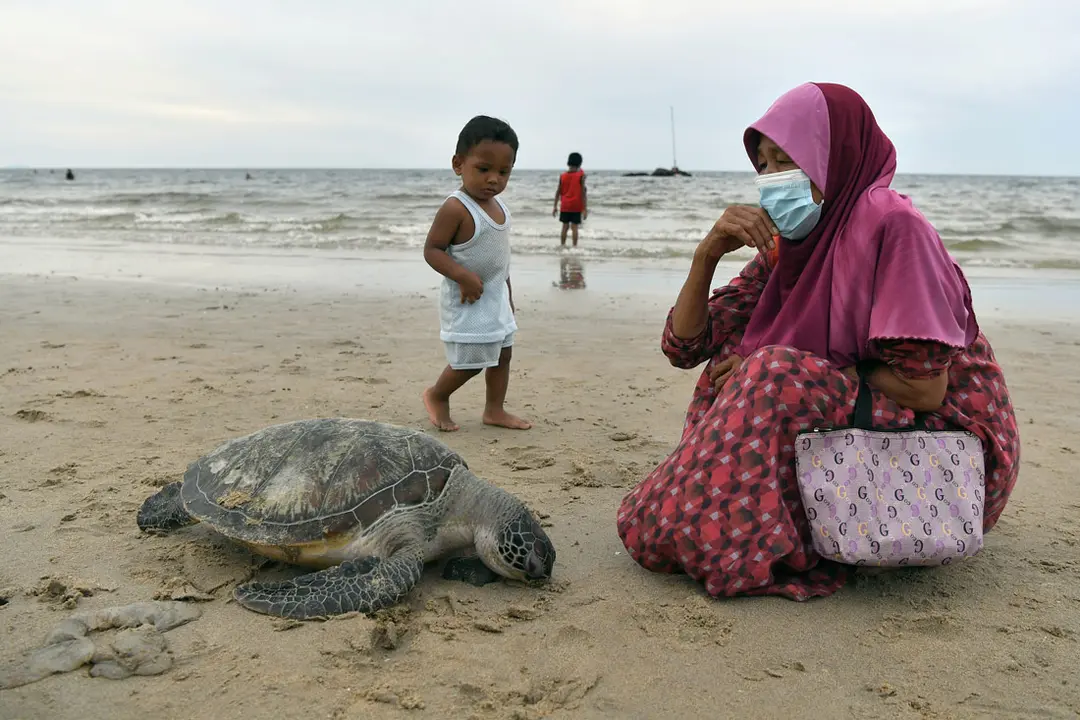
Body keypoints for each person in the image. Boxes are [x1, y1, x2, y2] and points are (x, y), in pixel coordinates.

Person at [616, 82, 1020, 601]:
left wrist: (777, 368)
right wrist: (707, 254)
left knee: (768, 372)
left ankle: (735, 532)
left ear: (837, 157)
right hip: (867, 430)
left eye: (787, 158)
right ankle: (749, 520)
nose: (772, 179)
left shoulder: (897, 228)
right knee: (733, 362)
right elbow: (684, 346)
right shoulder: (790, 250)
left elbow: (925, 391)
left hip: (950, 461)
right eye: (763, 165)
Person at [422, 115, 531, 433]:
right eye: (484, 169)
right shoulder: (456, 208)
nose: (494, 179)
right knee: (471, 360)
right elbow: (432, 249)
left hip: (495, 296)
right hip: (467, 298)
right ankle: (437, 394)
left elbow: (501, 260)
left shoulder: (499, 207)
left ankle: (494, 409)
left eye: (503, 171)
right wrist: (462, 276)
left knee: (503, 354)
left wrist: (508, 295)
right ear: (459, 164)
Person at [552, 152, 587, 248]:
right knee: (574, 227)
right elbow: (583, 193)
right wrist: (584, 209)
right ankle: (574, 247)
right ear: (580, 163)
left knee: (564, 227)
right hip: (576, 206)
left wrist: (555, 206)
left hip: (565, 206)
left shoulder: (562, 176)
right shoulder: (581, 176)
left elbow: (558, 192)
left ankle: (562, 245)